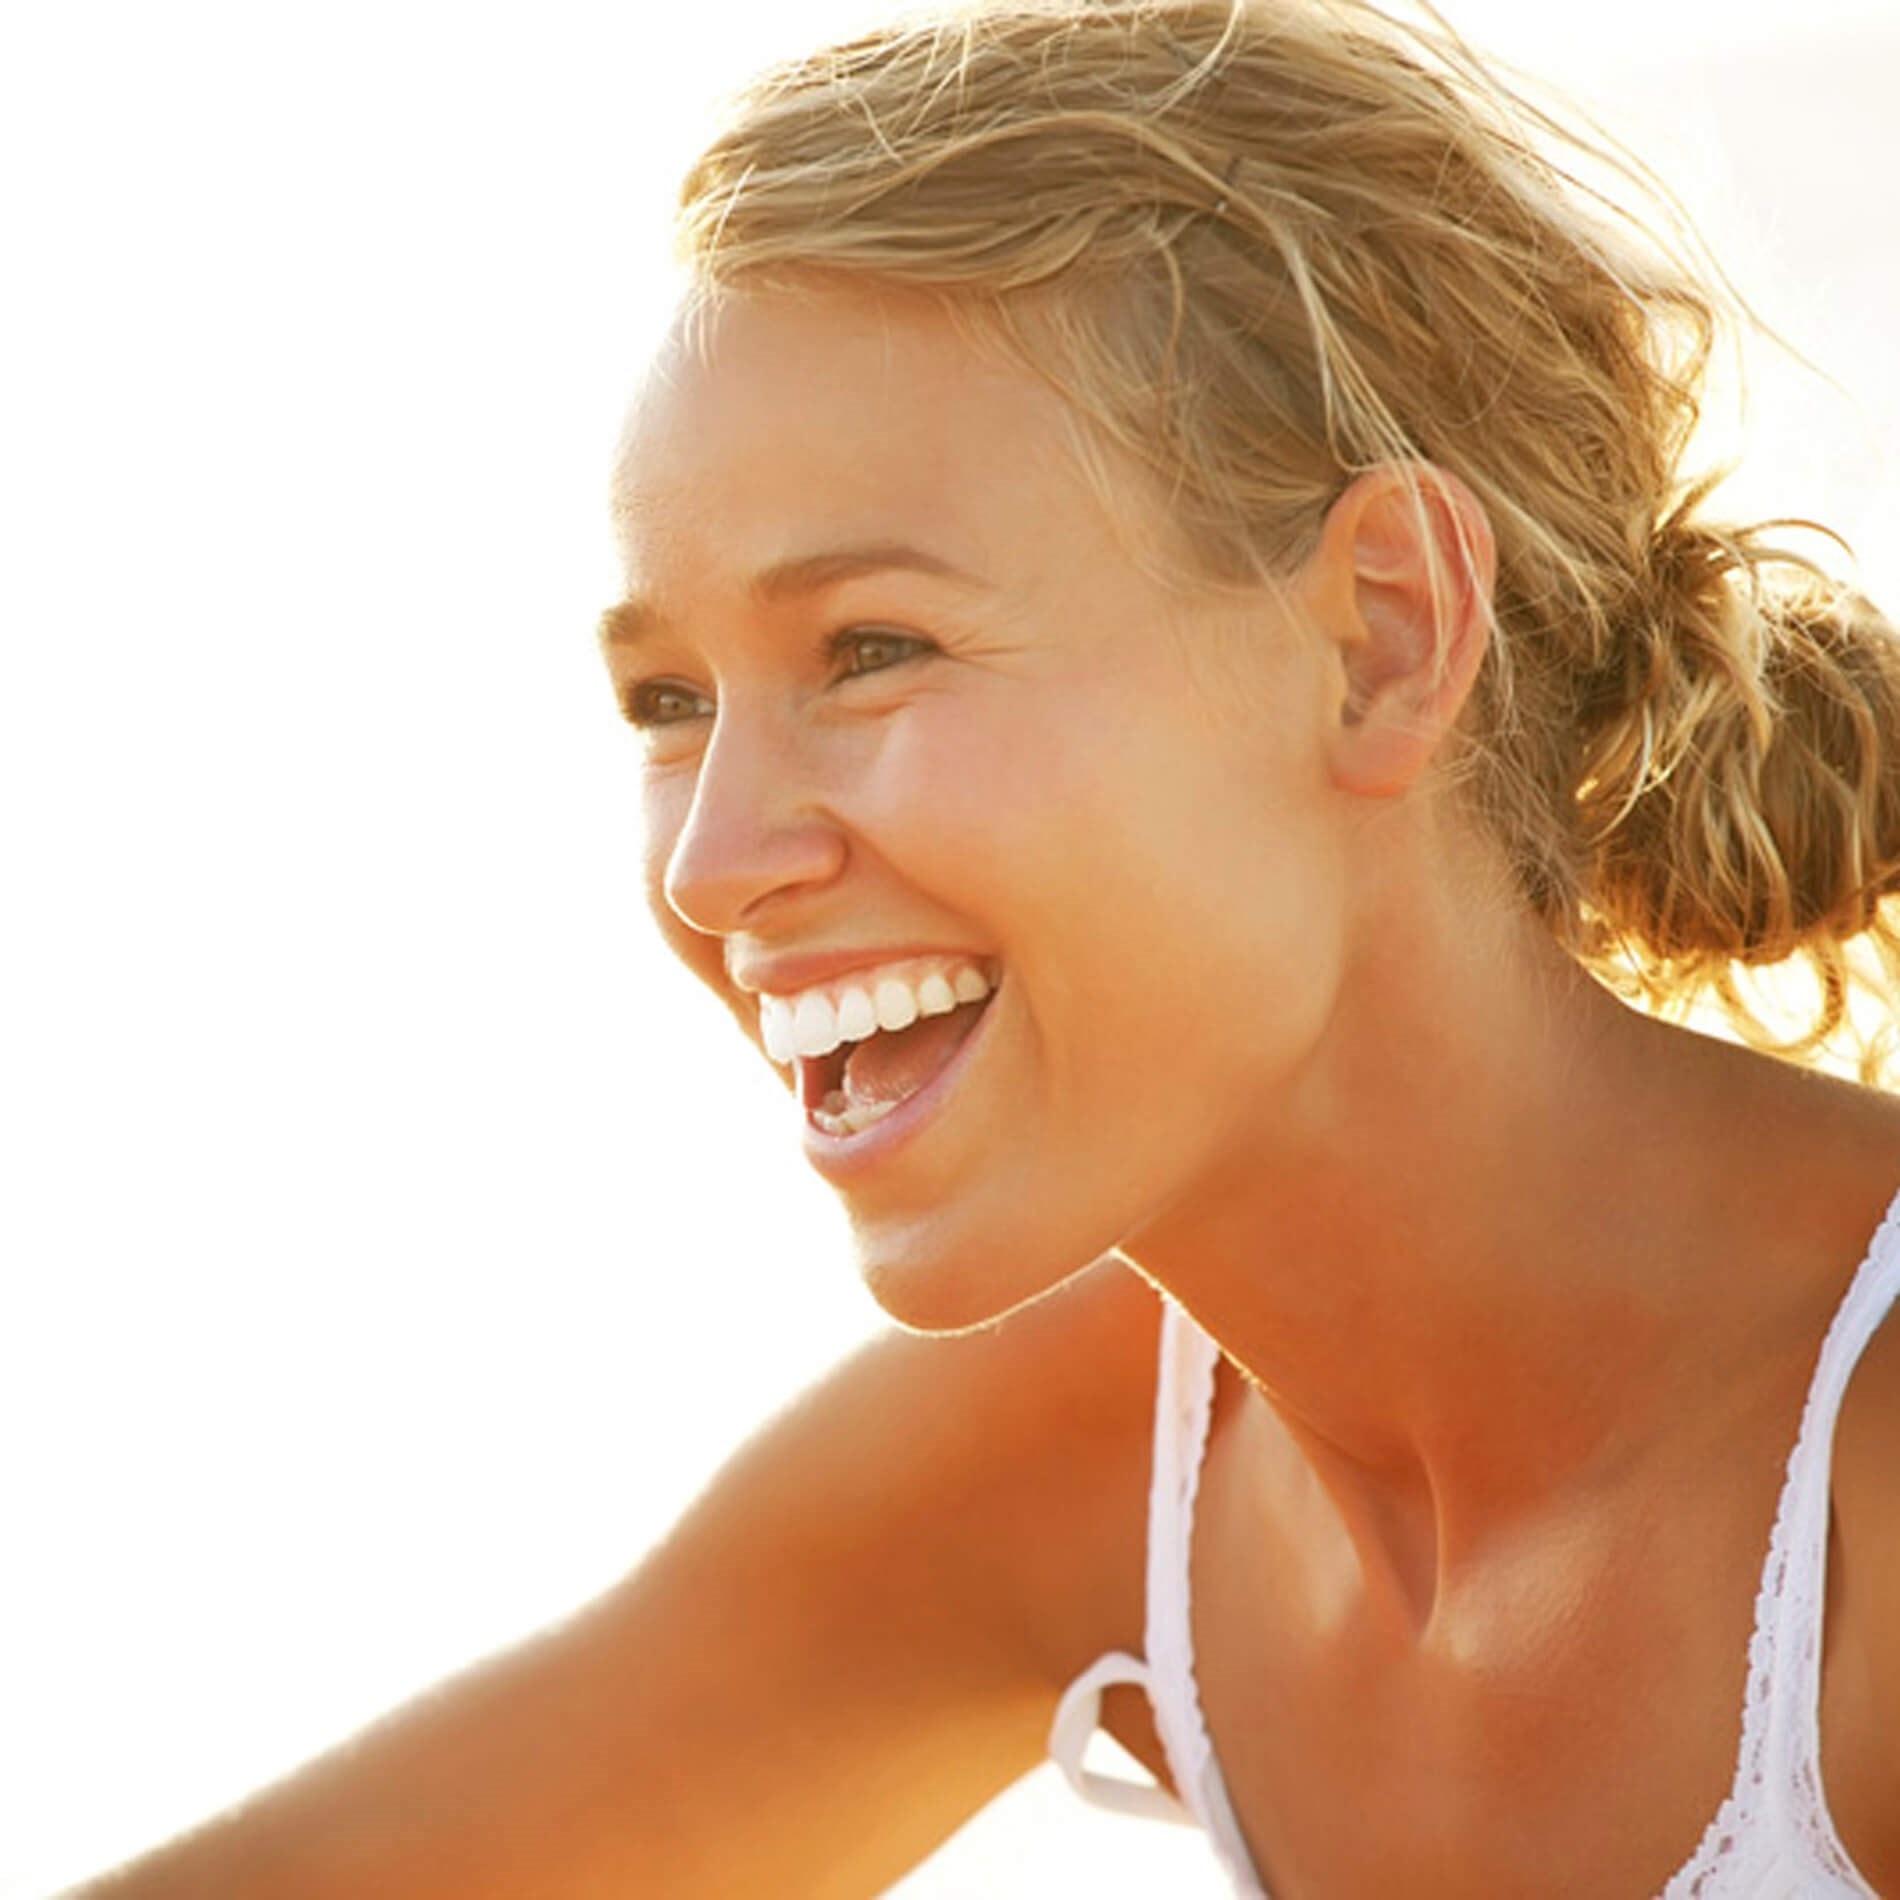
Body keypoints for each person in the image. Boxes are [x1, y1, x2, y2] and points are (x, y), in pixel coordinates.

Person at [71, 1, 1900, 1894]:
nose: (713, 865)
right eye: (669, 700)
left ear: (1378, 636)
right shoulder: (1093, 1460)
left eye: (872, 650)